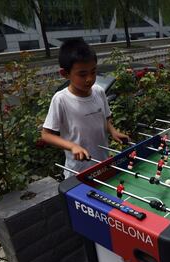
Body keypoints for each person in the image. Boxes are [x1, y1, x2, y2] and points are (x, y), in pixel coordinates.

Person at [41, 38, 128, 178]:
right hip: (78, 171)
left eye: (93, 72)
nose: (89, 78)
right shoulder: (61, 99)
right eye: (82, 74)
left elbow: (105, 119)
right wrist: (72, 146)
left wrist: (113, 131)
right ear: (65, 74)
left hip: (103, 165)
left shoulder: (99, 91)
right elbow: (46, 135)